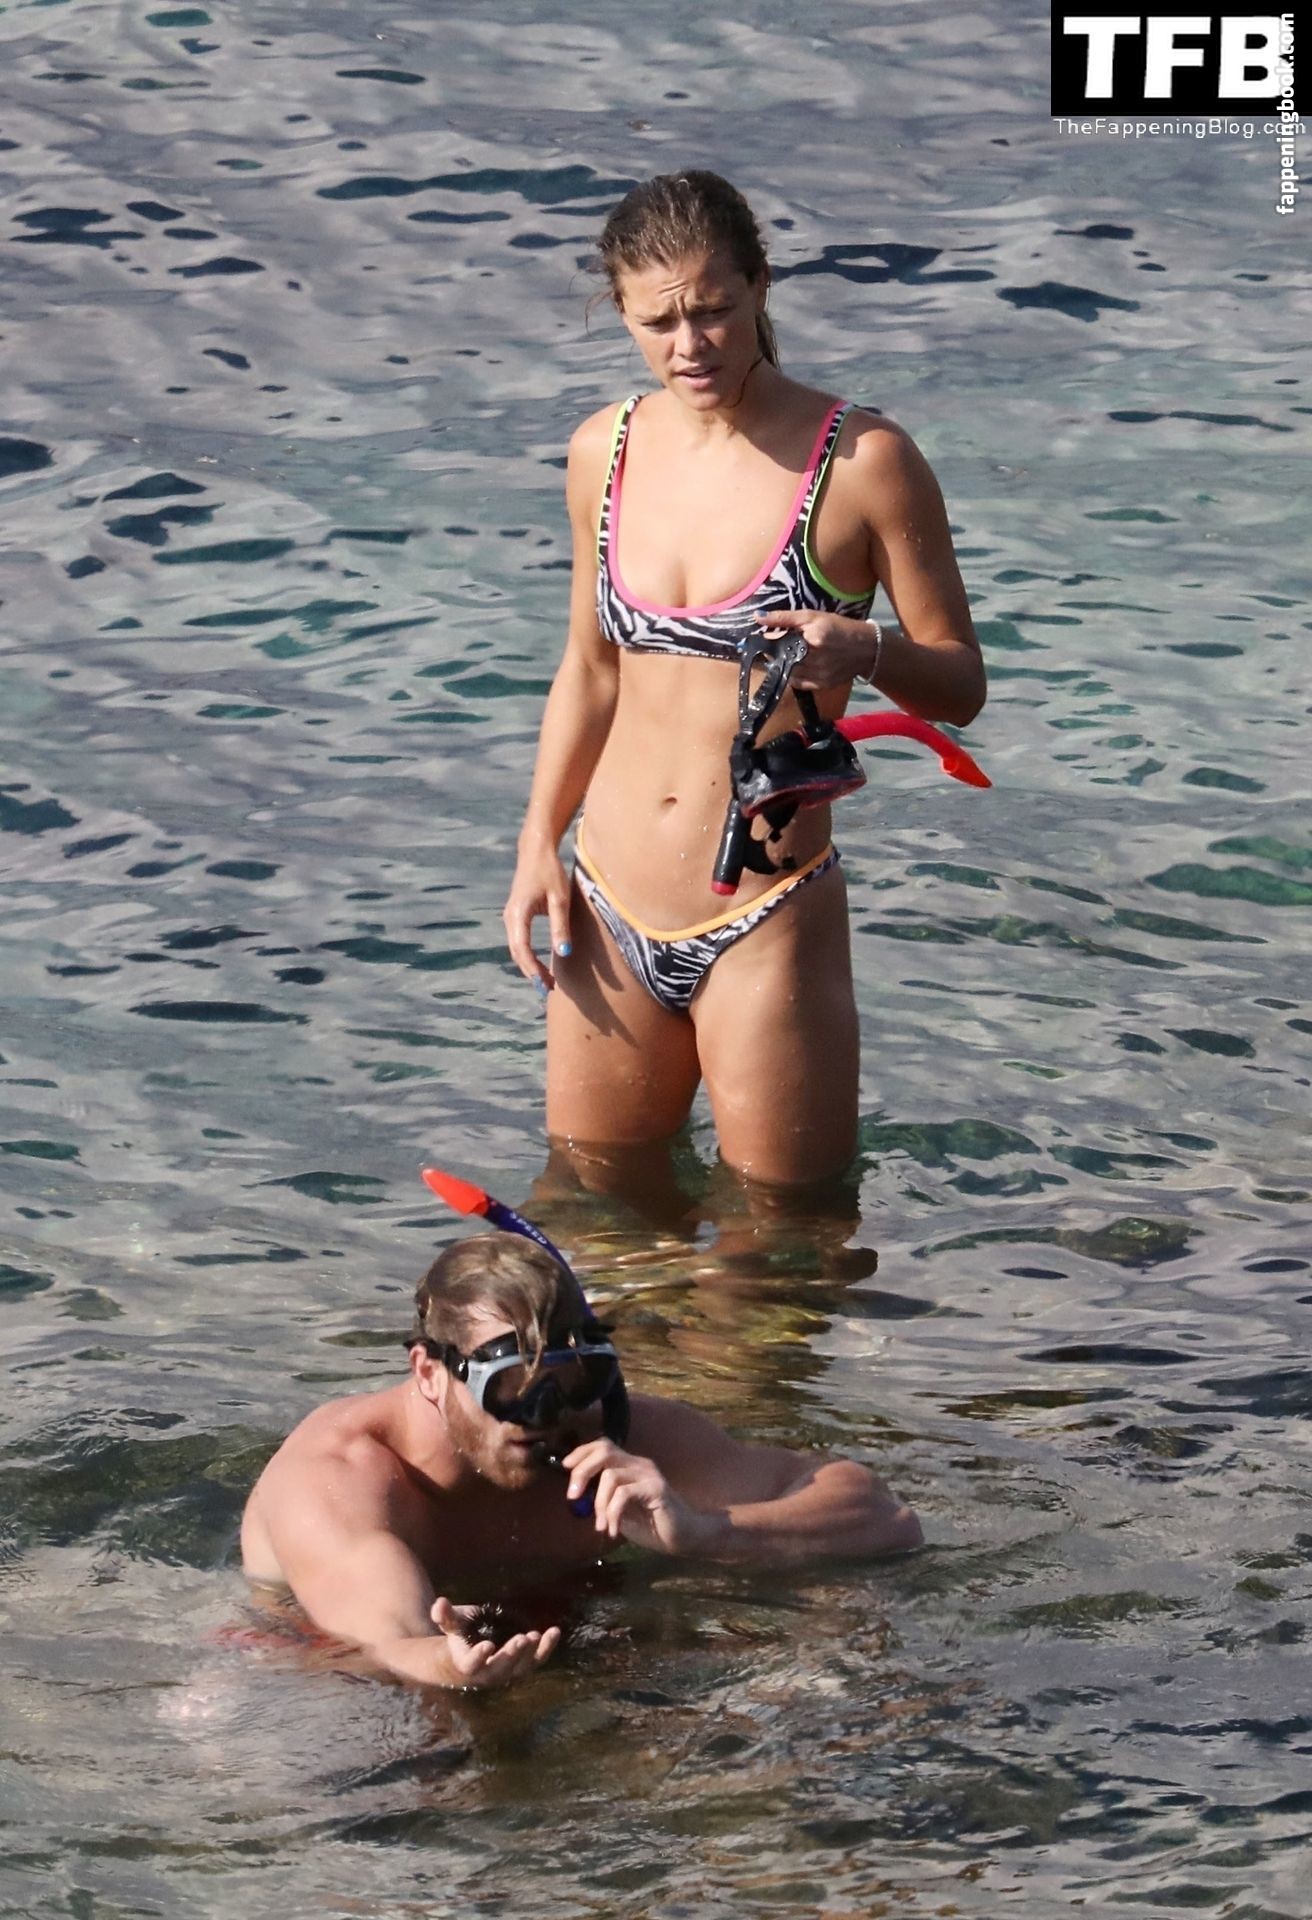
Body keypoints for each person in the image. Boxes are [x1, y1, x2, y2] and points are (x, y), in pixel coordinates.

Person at [503, 169, 985, 1188]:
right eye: (658, 321)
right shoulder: (603, 451)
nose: (690, 344)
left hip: (764, 915)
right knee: (592, 1209)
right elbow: (590, 669)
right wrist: (538, 841)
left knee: (782, 1241)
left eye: (714, 310)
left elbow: (959, 685)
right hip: (607, 899)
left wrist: (868, 650)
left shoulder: (862, 462)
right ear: (620, 313)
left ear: (762, 284)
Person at [241, 1232, 921, 1690]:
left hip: (571, 1630)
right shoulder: (341, 1473)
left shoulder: (618, 1438)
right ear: (428, 1371)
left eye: (571, 1383)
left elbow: (887, 1520)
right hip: (313, 1659)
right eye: (512, 1389)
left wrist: (707, 1534)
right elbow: (387, 1641)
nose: (546, 1417)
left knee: (843, 1627)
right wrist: (450, 1664)